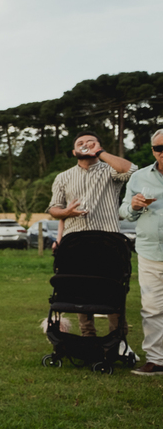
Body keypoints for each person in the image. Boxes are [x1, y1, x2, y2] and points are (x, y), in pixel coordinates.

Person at [48, 132, 136, 336]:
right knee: (80, 290)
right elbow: (54, 209)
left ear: (99, 146)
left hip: (108, 244)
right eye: (80, 143)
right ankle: (87, 337)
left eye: (91, 142)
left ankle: (117, 341)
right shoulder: (63, 177)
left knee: (112, 290)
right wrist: (67, 212)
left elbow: (131, 170)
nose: (85, 144)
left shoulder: (110, 170)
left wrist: (100, 152)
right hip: (75, 244)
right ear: (74, 152)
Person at [120, 128, 163, 376]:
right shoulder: (139, 177)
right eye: (159, 148)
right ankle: (156, 360)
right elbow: (124, 211)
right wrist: (134, 206)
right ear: (153, 150)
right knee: (152, 308)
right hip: (150, 251)